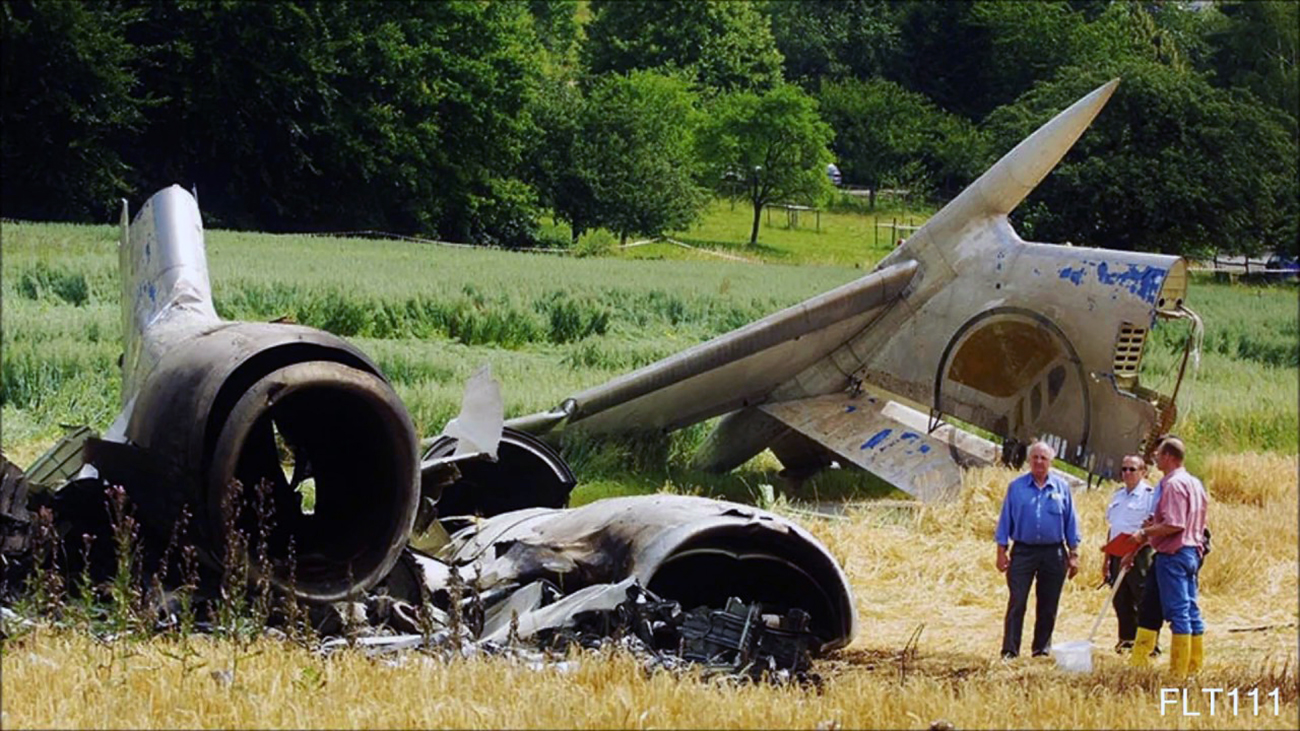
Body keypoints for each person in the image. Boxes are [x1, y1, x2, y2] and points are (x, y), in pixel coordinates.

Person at [1128, 437, 1209, 678]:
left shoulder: (1172, 485)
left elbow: (1175, 524)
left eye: (1158, 454)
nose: (1155, 458)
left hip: (1174, 553)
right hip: (1192, 551)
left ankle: (1178, 671)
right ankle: (1194, 665)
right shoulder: (1194, 483)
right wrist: (1156, 525)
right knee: (1190, 608)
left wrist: (1144, 532)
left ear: (1168, 457)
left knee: (1178, 611)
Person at [995, 440, 1081, 658]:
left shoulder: (1062, 488)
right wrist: (1001, 551)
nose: (1039, 462)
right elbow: (1005, 520)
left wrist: (1074, 554)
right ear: (1029, 460)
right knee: (1017, 601)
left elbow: (1071, 521)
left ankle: (1041, 649)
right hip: (1023, 552)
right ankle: (1010, 650)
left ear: (1050, 461)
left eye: (1043, 458)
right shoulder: (1016, 488)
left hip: (1054, 553)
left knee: (1048, 603)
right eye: (1035, 457)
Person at [1103, 454, 1157, 652]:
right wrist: (1106, 560)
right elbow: (1113, 528)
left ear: (1143, 472)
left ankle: (1148, 645)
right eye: (1124, 469)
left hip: (1140, 553)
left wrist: (1134, 552)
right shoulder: (1118, 495)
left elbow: (1152, 528)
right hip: (1118, 551)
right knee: (1121, 599)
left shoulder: (1150, 496)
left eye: (1132, 469)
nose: (1127, 473)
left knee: (1143, 598)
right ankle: (1126, 641)